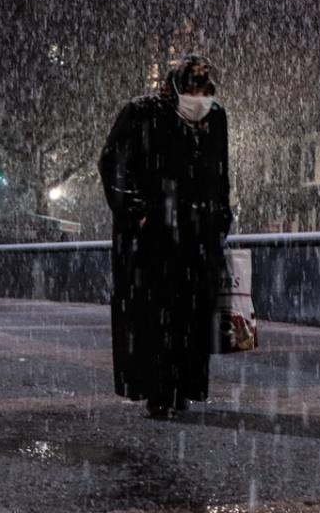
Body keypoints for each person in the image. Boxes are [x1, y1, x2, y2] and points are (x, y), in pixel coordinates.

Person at [98, 54, 233, 419]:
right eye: (192, 89)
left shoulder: (215, 118)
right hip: (151, 237)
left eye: (204, 90)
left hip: (195, 236)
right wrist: (136, 211)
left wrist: (220, 216)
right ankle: (158, 389)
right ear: (175, 87)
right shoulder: (142, 112)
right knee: (154, 314)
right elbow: (112, 162)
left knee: (190, 314)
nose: (198, 97)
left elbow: (220, 172)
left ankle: (182, 387)